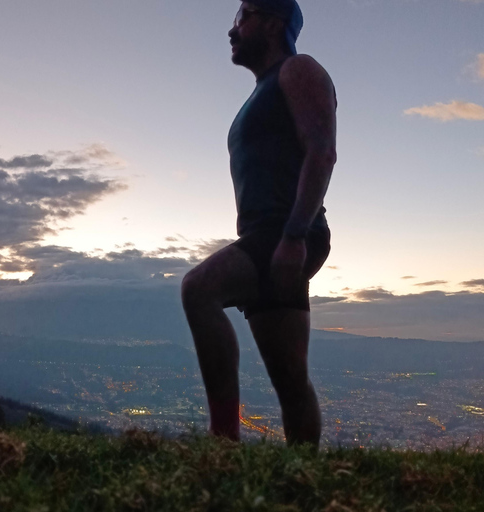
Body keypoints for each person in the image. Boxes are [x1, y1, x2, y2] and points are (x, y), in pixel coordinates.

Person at [181, 0, 337, 447]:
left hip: (286, 231)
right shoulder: (261, 91)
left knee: (198, 289)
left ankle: (222, 443)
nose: (232, 29)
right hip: (273, 236)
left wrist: (292, 236)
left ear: (272, 22)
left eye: (243, 16)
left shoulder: (298, 70)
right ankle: (304, 473)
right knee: (290, 379)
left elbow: (321, 151)